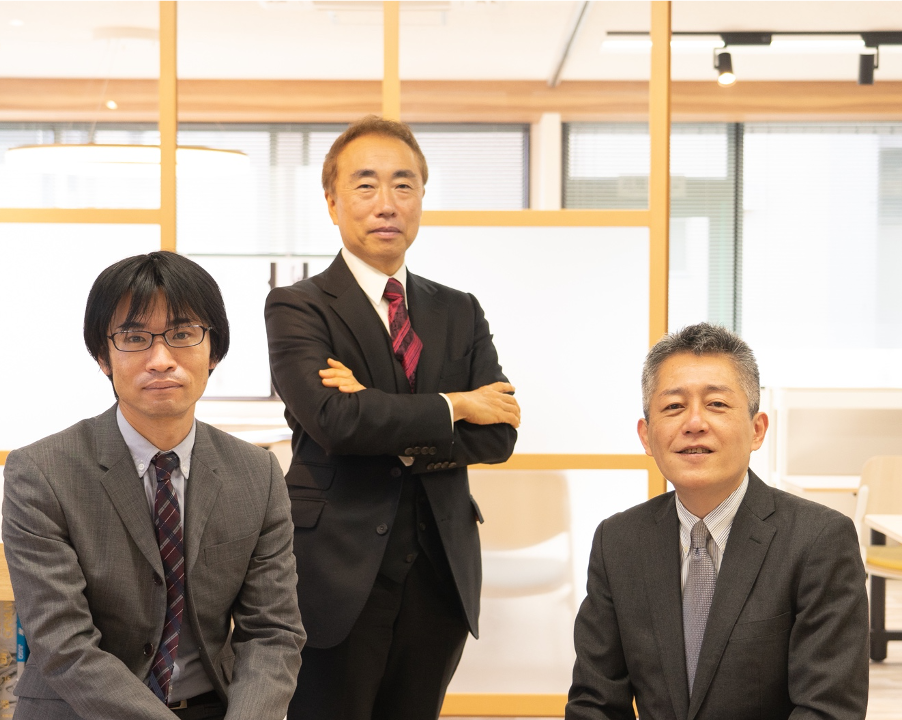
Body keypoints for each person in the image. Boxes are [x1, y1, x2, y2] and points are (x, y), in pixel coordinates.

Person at [265, 115, 521, 720]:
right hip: (335, 571)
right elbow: (334, 421)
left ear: (422, 197)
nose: (387, 203)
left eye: (403, 185)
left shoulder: (459, 310)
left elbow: (498, 435)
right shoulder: (297, 306)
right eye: (365, 185)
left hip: (440, 573)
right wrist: (455, 406)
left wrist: (378, 412)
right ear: (332, 202)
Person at [2, 251, 304, 720]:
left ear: (214, 351)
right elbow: (64, 644)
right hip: (82, 710)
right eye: (134, 338)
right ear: (102, 356)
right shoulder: (40, 473)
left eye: (182, 335)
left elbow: (272, 633)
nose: (161, 360)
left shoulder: (258, 474)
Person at [567, 323, 868, 720]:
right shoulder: (618, 541)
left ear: (757, 430)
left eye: (717, 404)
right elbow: (595, 703)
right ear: (646, 435)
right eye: (673, 407)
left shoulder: (819, 540)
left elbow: (828, 708)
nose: (694, 423)